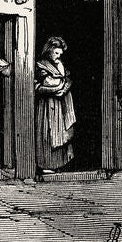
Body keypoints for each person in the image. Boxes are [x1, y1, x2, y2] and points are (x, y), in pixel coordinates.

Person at [35, 35, 76, 173]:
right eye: (56, 53)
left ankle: (60, 164)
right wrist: (60, 85)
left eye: (60, 54)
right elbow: (48, 82)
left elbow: (67, 81)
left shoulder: (60, 64)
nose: (58, 56)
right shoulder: (41, 64)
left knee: (63, 132)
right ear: (49, 50)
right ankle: (47, 165)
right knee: (48, 133)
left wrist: (63, 88)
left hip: (61, 104)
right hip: (48, 105)